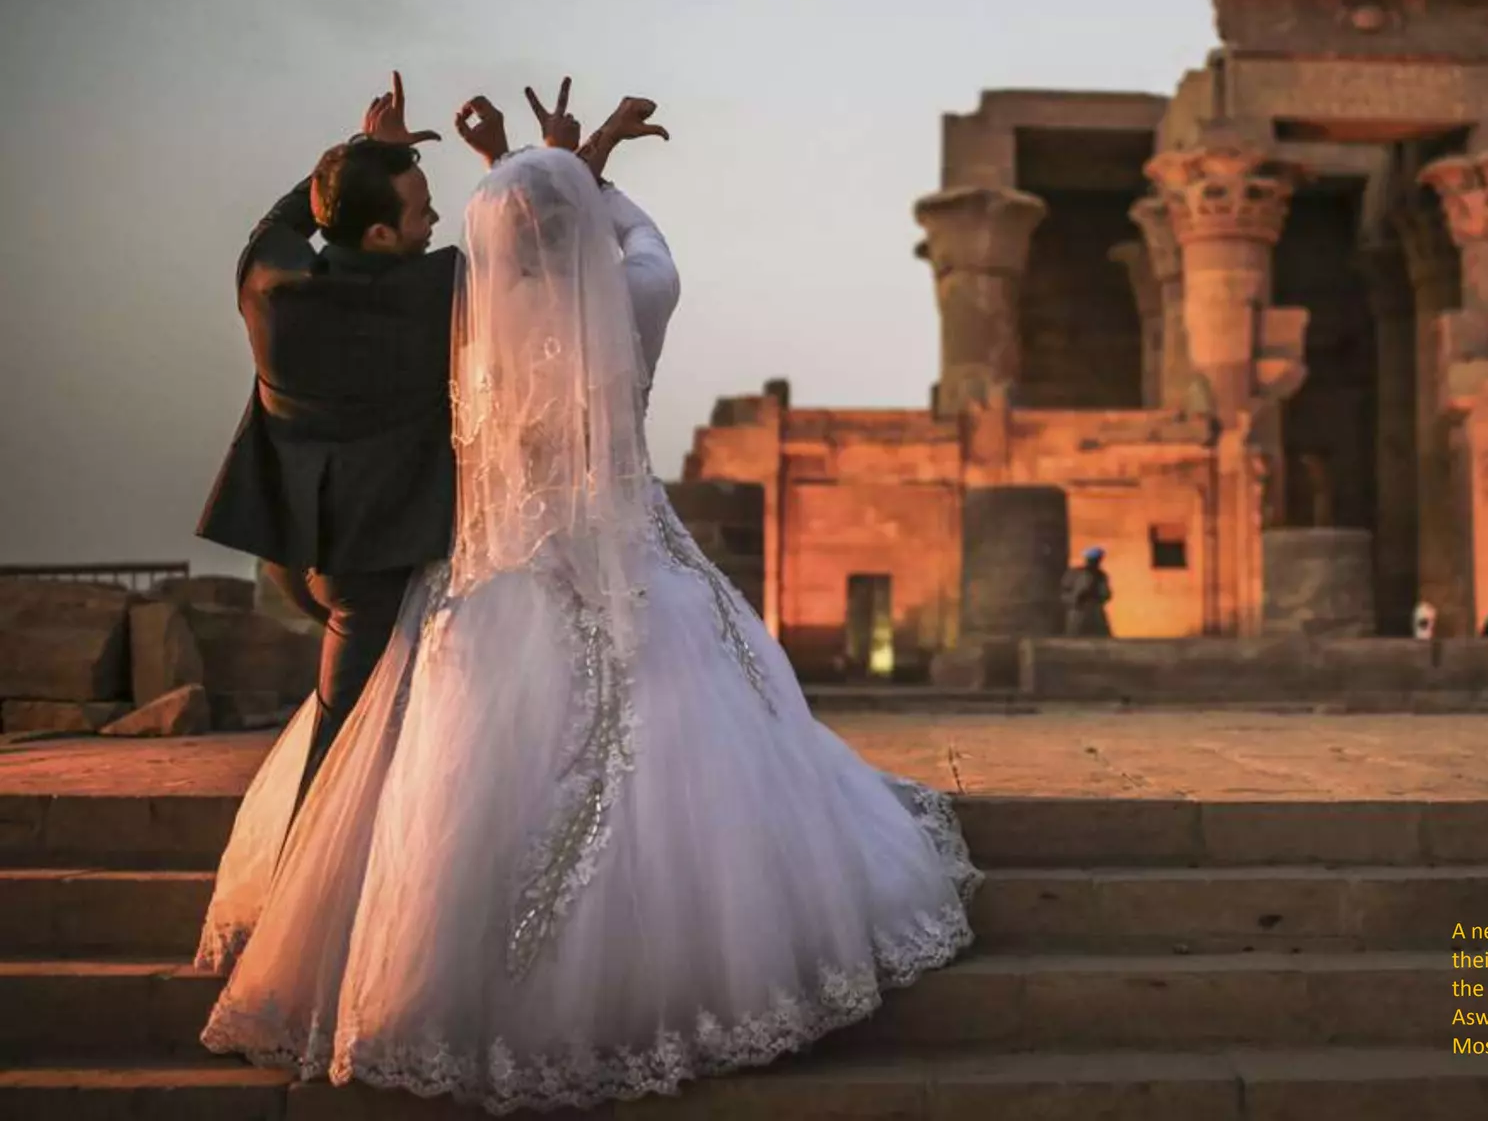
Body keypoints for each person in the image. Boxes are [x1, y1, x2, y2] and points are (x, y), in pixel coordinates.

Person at [194, 103, 978, 1115]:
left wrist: (514, 174)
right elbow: (643, 241)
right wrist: (584, 170)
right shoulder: (632, 297)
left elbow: (471, 243)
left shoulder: (454, 306)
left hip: (483, 580)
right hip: (622, 563)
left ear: (487, 234)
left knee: (422, 764)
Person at [195, 73, 458, 818]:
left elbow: (281, 219)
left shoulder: (270, 283)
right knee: (340, 759)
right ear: (379, 236)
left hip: (290, 549)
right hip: (367, 568)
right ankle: (304, 910)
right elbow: (531, 249)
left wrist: (365, 151)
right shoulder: (431, 295)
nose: (435, 218)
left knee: (371, 726)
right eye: (420, 211)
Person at [1060, 546, 1113, 636]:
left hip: (1093, 610)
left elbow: (1106, 594)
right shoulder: (1075, 573)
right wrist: (1076, 598)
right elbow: (1065, 590)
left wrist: (1096, 597)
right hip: (1078, 611)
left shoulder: (1101, 576)